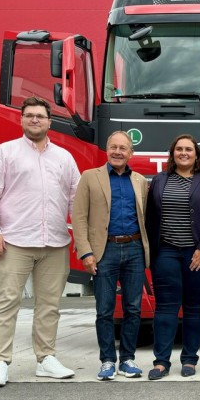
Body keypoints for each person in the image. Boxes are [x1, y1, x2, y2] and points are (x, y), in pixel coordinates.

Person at [0, 97, 80, 387]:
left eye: (40, 116)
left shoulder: (64, 157)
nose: (35, 120)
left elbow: (76, 199)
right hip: (14, 242)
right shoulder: (4, 153)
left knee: (49, 305)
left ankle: (46, 359)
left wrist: (80, 237)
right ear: (21, 120)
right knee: (5, 303)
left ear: (50, 121)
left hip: (56, 243)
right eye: (29, 115)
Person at [72, 131, 150, 381]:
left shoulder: (139, 180)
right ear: (107, 149)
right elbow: (79, 217)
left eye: (123, 148)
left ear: (131, 153)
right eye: (113, 147)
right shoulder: (90, 177)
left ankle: (127, 359)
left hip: (135, 249)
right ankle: (107, 360)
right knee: (105, 310)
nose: (118, 152)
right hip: (104, 251)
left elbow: (145, 216)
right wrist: (85, 252)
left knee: (133, 308)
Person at [145, 135, 200, 380]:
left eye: (189, 149)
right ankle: (161, 362)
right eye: (179, 149)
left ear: (197, 154)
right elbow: (150, 217)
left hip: (198, 253)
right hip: (166, 251)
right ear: (172, 153)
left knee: (194, 307)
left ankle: (189, 360)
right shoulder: (159, 180)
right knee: (165, 308)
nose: (184, 153)